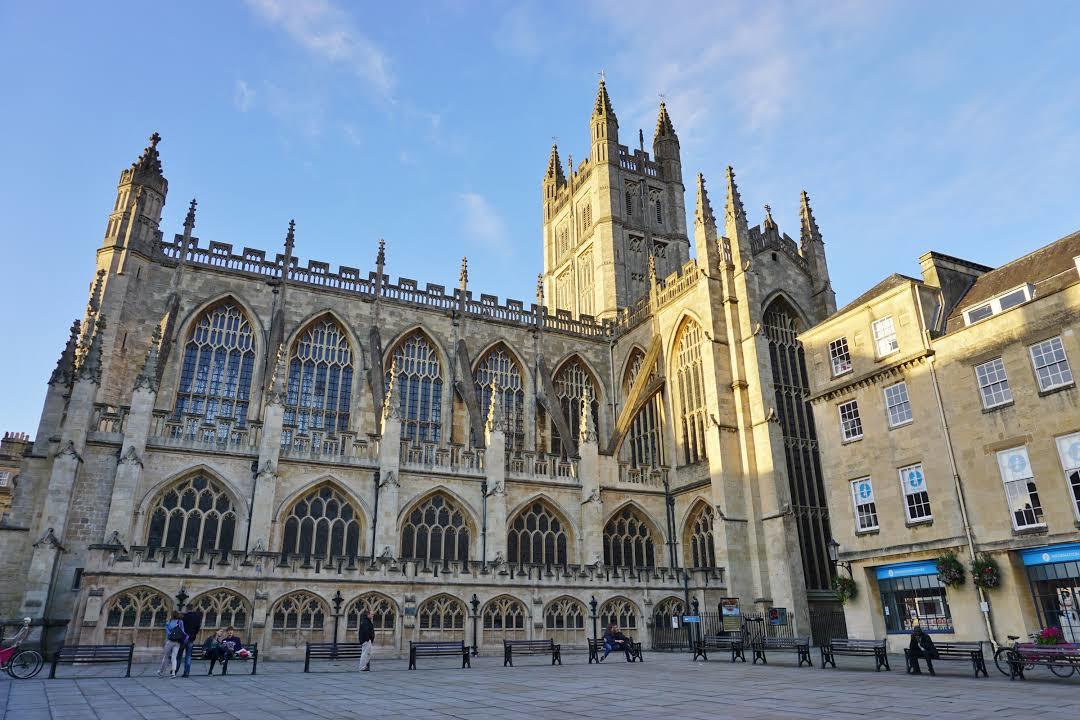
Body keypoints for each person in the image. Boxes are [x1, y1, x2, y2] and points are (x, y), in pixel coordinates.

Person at [176, 603, 203, 678]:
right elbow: (198, 628)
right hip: (191, 638)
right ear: (193, 608)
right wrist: (194, 634)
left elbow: (179, 627)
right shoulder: (197, 617)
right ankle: (186, 673)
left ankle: (175, 671)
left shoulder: (183, 617)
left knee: (179, 656)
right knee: (188, 656)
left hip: (183, 639)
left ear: (187, 609)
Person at [158, 611, 187, 679]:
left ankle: (161, 672)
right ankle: (173, 673)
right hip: (178, 642)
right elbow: (183, 632)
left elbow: (168, 633)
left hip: (170, 641)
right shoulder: (180, 622)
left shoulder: (168, 622)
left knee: (166, 657)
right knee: (174, 657)